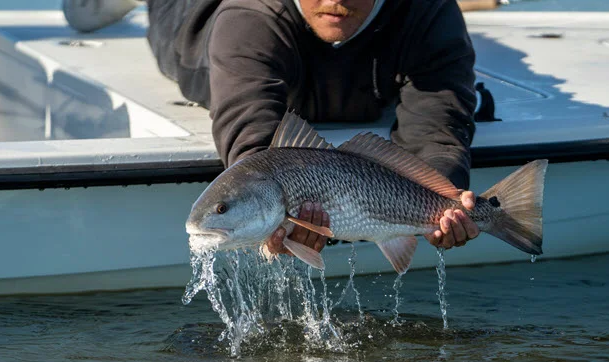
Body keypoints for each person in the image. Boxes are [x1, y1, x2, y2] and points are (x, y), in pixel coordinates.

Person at [63, 0, 481, 255]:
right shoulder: (247, 19)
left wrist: (443, 202)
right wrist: (268, 222)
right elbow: (253, 139)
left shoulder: (430, 12)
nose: (335, 0)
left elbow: (437, 126)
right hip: (193, 14)